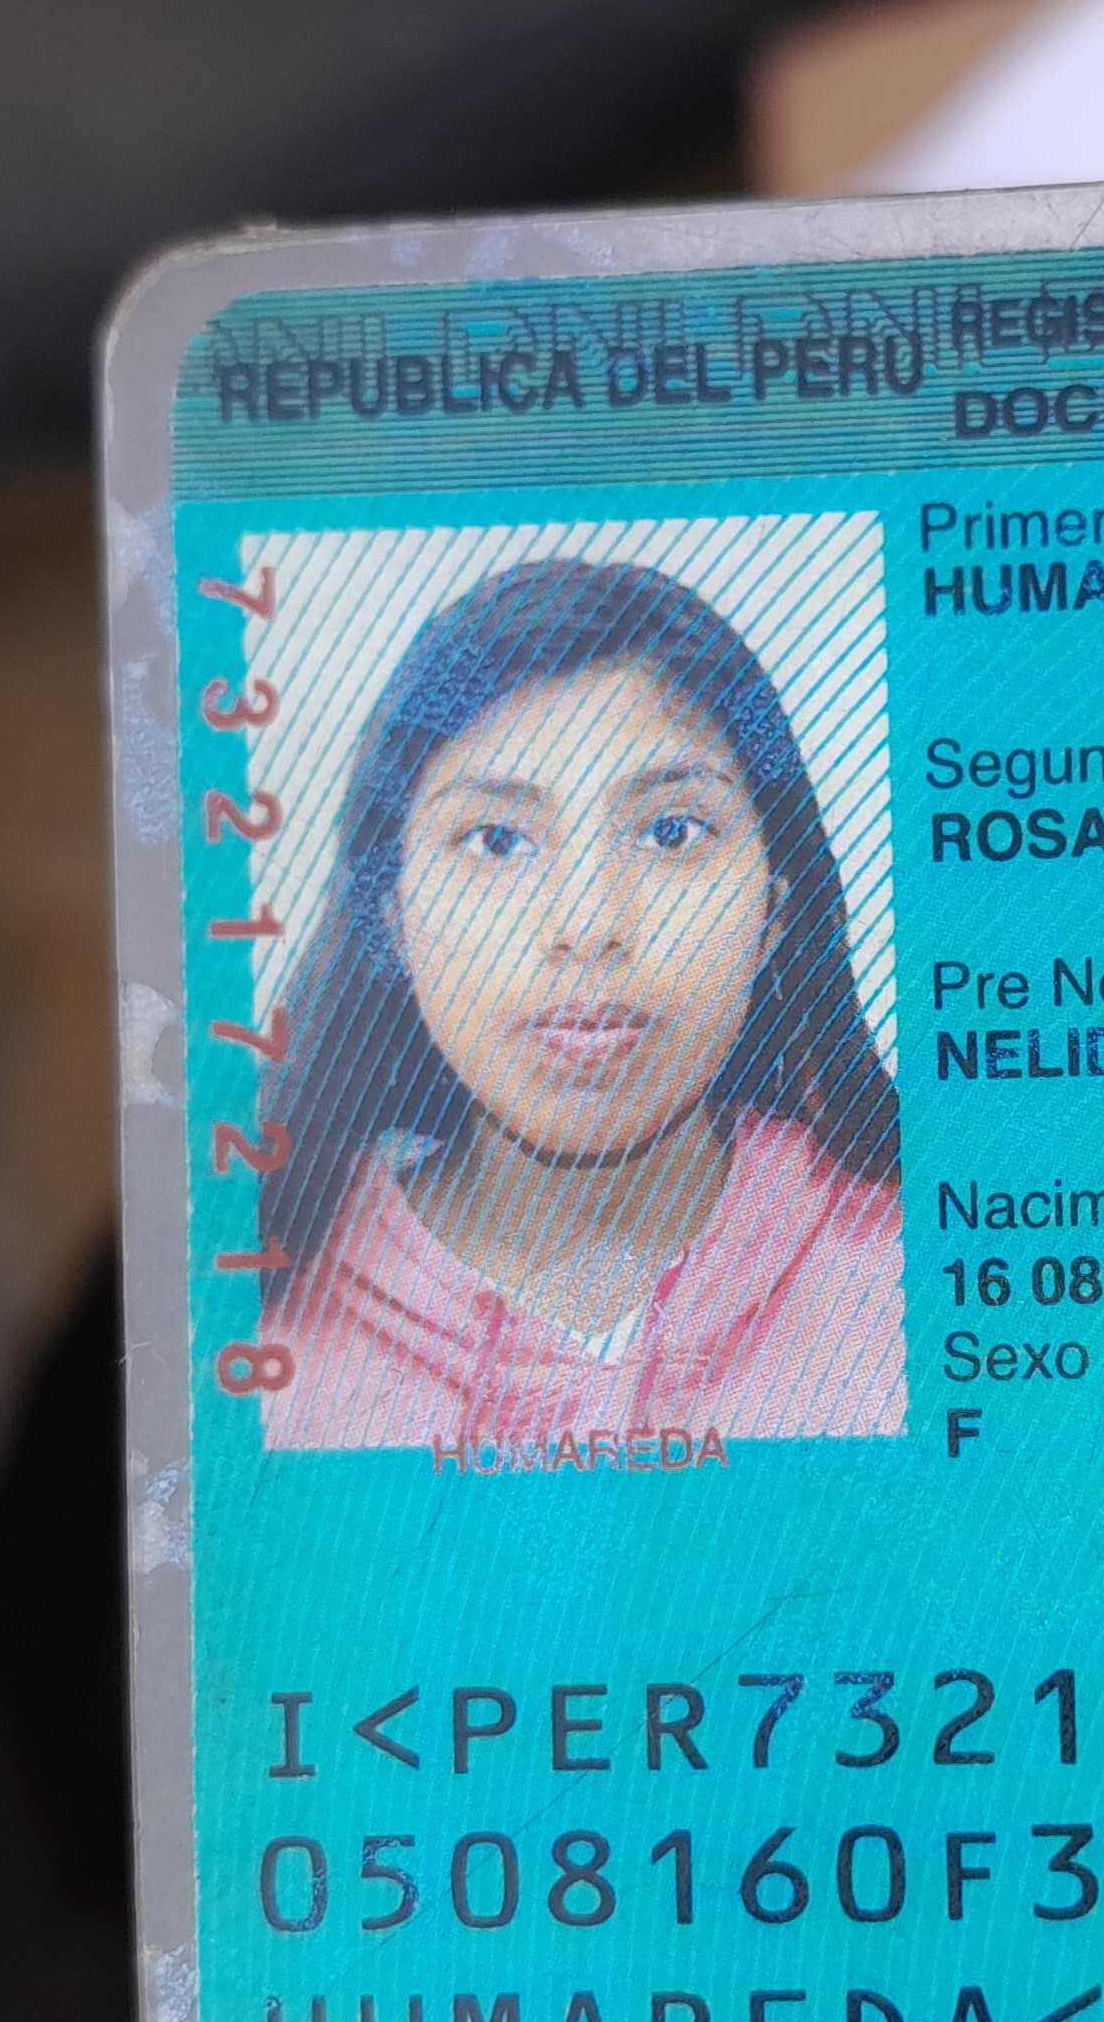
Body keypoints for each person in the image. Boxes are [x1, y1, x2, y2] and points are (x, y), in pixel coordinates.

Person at [253, 558, 903, 1451]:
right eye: (496, 840)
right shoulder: (250, 1310)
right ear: (392, 918)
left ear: (775, 912)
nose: (588, 926)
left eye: (670, 832)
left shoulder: (925, 1271)